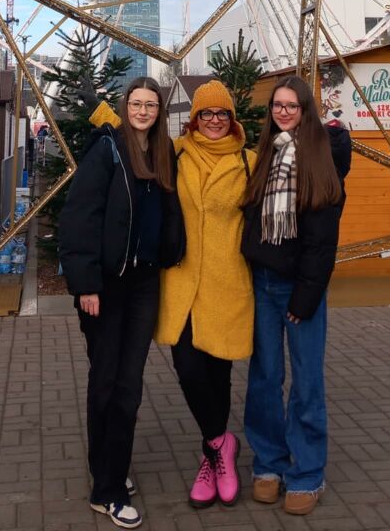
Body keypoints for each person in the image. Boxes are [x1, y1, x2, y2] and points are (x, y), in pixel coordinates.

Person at [91, 78, 256, 510]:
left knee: (218, 373)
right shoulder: (174, 154)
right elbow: (133, 146)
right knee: (188, 369)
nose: (214, 120)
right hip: (181, 283)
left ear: (232, 119)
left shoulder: (250, 161)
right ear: (194, 118)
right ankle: (220, 445)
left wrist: (335, 147)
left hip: (226, 284)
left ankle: (212, 457)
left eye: (222, 113)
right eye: (206, 113)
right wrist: (102, 117)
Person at [59, 77, 185, 530]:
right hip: (107, 287)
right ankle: (107, 490)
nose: (143, 111)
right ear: (125, 106)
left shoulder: (163, 154)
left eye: (151, 104)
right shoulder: (108, 150)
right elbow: (80, 217)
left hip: (144, 284)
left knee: (128, 383)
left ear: (159, 111)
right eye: (136, 103)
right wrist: (86, 285)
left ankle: (110, 469)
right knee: (107, 381)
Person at [240, 74, 351, 517]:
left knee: (306, 383)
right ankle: (269, 464)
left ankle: (306, 473)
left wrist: (305, 298)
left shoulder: (320, 158)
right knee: (265, 379)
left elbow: (323, 241)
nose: (283, 112)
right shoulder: (266, 154)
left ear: (305, 110)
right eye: (277, 105)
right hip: (262, 282)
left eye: (291, 105)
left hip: (301, 288)